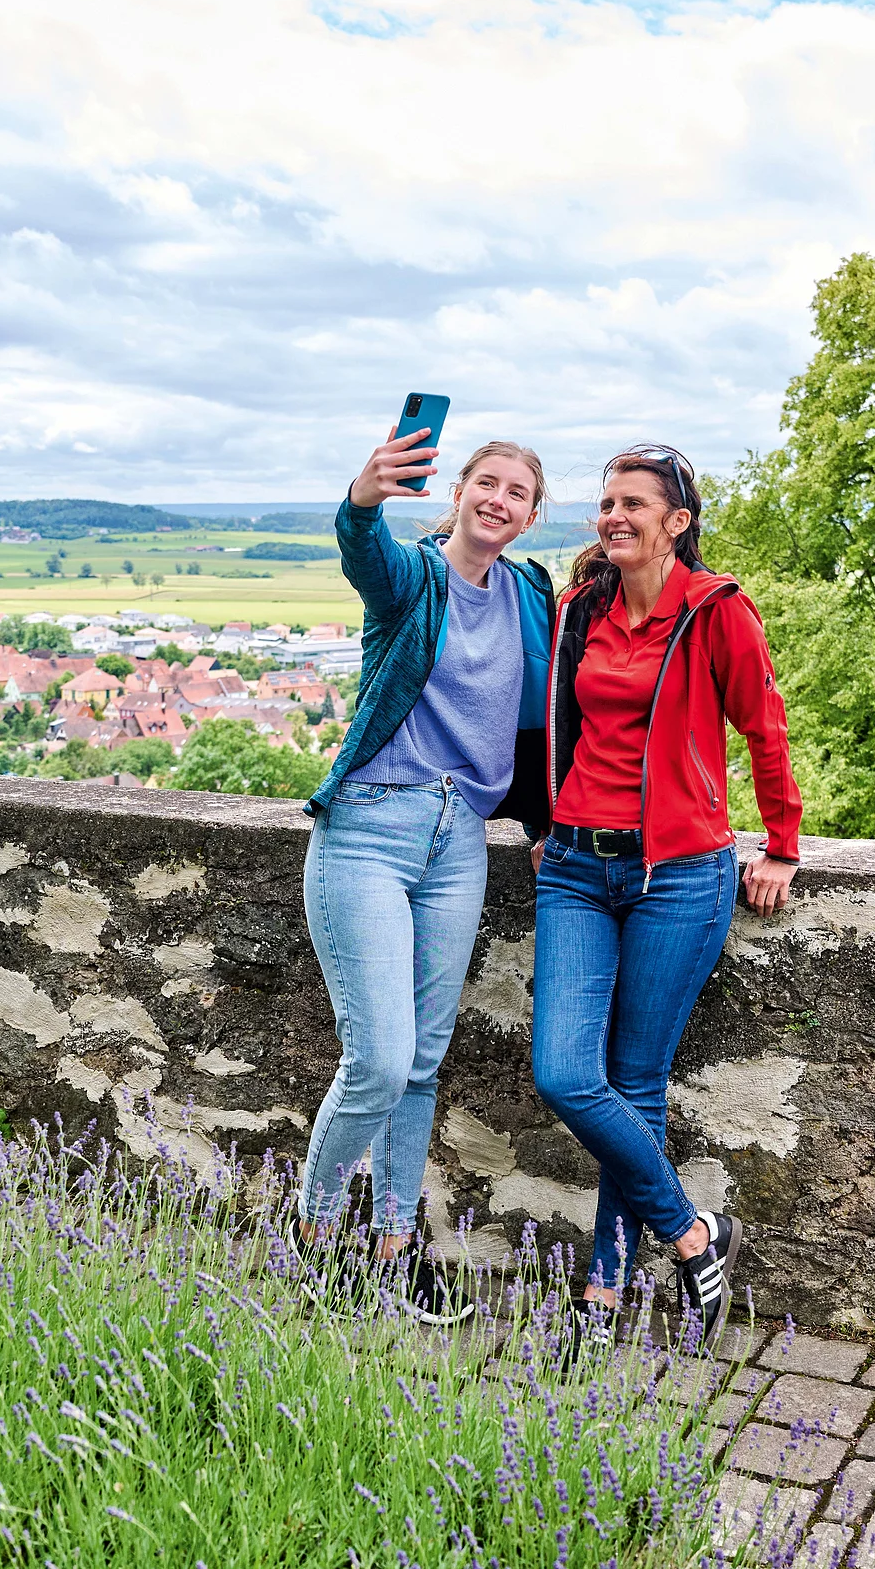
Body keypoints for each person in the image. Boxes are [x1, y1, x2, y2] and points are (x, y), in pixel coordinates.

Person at [530, 443, 800, 1344]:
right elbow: (549, 725)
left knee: (635, 1083)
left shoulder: (717, 611)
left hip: (680, 874)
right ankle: (693, 1230)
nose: (613, 516)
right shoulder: (578, 610)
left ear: (676, 522)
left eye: (633, 503)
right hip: (574, 866)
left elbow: (765, 727)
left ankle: (601, 1295)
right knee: (567, 1074)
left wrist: (783, 846)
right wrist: (546, 826)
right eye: (606, 502)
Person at [297, 424, 554, 1325]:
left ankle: (395, 1246)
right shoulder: (416, 578)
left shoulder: (529, 593)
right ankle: (317, 1237)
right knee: (379, 1057)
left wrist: (547, 819)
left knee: (424, 1063)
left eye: (516, 492)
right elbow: (362, 551)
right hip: (372, 828)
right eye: (485, 483)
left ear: (529, 515)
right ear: (457, 493)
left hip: (461, 844)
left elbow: (545, 714)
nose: (498, 501)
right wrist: (364, 495)